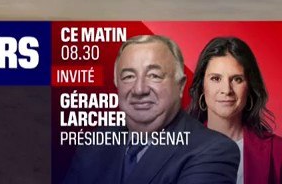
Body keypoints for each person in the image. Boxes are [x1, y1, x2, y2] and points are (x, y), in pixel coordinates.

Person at [61, 34, 239, 184]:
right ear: (117, 84)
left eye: (154, 75)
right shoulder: (96, 143)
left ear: (180, 85)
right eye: (129, 76)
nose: (139, 89)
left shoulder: (213, 150)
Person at [187, 37, 282, 184]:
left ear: (249, 87)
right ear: (201, 86)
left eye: (237, 79)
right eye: (216, 78)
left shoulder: (277, 151)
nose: (226, 90)